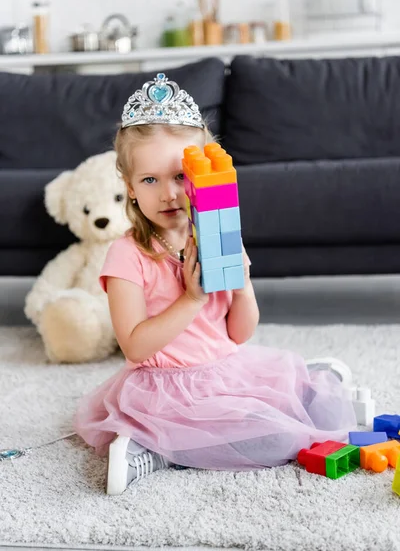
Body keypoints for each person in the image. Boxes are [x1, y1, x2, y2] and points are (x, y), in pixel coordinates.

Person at [74, 72, 356, 495]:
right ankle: (153, 449)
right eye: (150, 180)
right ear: (130, 188)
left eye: (180, 176)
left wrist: (242, 286)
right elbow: (134, 345)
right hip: (164, 389)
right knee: (279, 439)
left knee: (310, 411)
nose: (169, 193)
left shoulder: (217, 235)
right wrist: (190, 299)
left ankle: (295, 383)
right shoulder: (127, 255)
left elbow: (239, 333)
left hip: (226, 370)